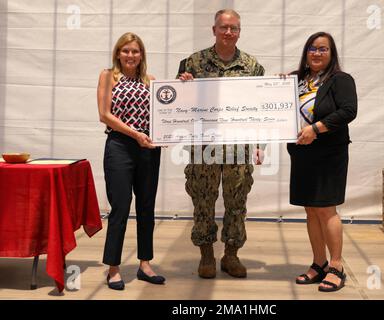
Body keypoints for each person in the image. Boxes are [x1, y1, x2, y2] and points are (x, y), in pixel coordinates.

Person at [177, 9, 265, 279]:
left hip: (239, 147)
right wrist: (183, 87)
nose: (229, 32)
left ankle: (231, 255)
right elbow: (177, 106)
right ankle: (206, 255)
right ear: (213, 29)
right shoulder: (192, 62)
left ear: (240, 31)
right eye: (224, 27)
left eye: (234, 28)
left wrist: (261, 144)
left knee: (236, 201)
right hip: (204, 146)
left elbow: (261, 108)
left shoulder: (253, 67)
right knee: (203, 200)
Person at [286, 32, 357, 292]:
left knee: (326, 209)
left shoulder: (340, 80)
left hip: (329, 153)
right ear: (306, 52)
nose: (317, 53)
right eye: (312, 49)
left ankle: (336, 266)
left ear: (331, 53)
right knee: (311, 210)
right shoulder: (296, 80)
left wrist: (316, 129)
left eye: (323, 49)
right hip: (302, 153)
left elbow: (348, 111)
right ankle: (319, 264)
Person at [97, 32, 165, 290]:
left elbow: (166, 114)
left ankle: (145, 264)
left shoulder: (152, 81)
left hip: (148, 148)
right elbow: (104, 114)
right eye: (126, 51)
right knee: (121, 206)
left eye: (135, 51)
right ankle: (113, 268)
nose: (130, 55)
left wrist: (165, 134)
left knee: (147, 207)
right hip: (120, 146)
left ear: (141, 55)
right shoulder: (108, 76)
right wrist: (135, 134)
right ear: (118, 53)